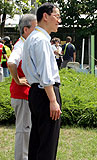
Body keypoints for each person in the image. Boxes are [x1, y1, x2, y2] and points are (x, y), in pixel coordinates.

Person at [21, 3, 62, 160]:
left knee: (37, 140)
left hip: (36, 93)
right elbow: (45, 74)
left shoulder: (31, 38)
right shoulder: (42, 40)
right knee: (47, 143)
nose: (59, 21)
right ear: (46, 16)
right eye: (57, 16)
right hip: (46, 94)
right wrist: (53, 100)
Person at [7, 14, 37, 160]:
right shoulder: (20, 45)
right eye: (35, 28)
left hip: (25, 94)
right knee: (23, 131)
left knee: (26, 130)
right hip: (22, 94)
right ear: (26, 29)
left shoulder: (25, 44)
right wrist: (18, 80)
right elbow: (11, 62)